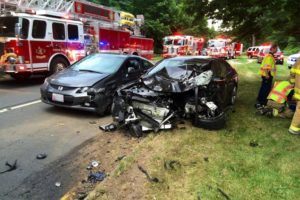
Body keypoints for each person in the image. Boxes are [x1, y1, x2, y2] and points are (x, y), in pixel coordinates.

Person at [255, 44, 278, 108]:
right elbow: (266, 67)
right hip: (267, 75)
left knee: (264, 88)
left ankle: (261, 100)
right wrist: (267, 74)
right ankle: (262, 102)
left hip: (267, 75)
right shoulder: (269, 56)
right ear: (273, 48)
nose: (276, 50)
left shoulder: (270, 56)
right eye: (276, 48)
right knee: (265, 89)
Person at [289, 59, 300, 135]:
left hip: (298, 90)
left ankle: (294, 128)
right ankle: (294, 129)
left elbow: (292, 72)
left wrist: (293, 83)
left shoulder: (299, 60)